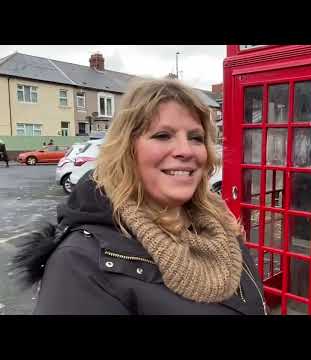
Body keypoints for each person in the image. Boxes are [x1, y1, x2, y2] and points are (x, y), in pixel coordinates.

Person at [11, 79, 267, 315]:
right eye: (162, 135)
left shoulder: (217, 222)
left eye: (196, 138)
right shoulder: (79, 261)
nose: (185, 150)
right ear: (126, 150)